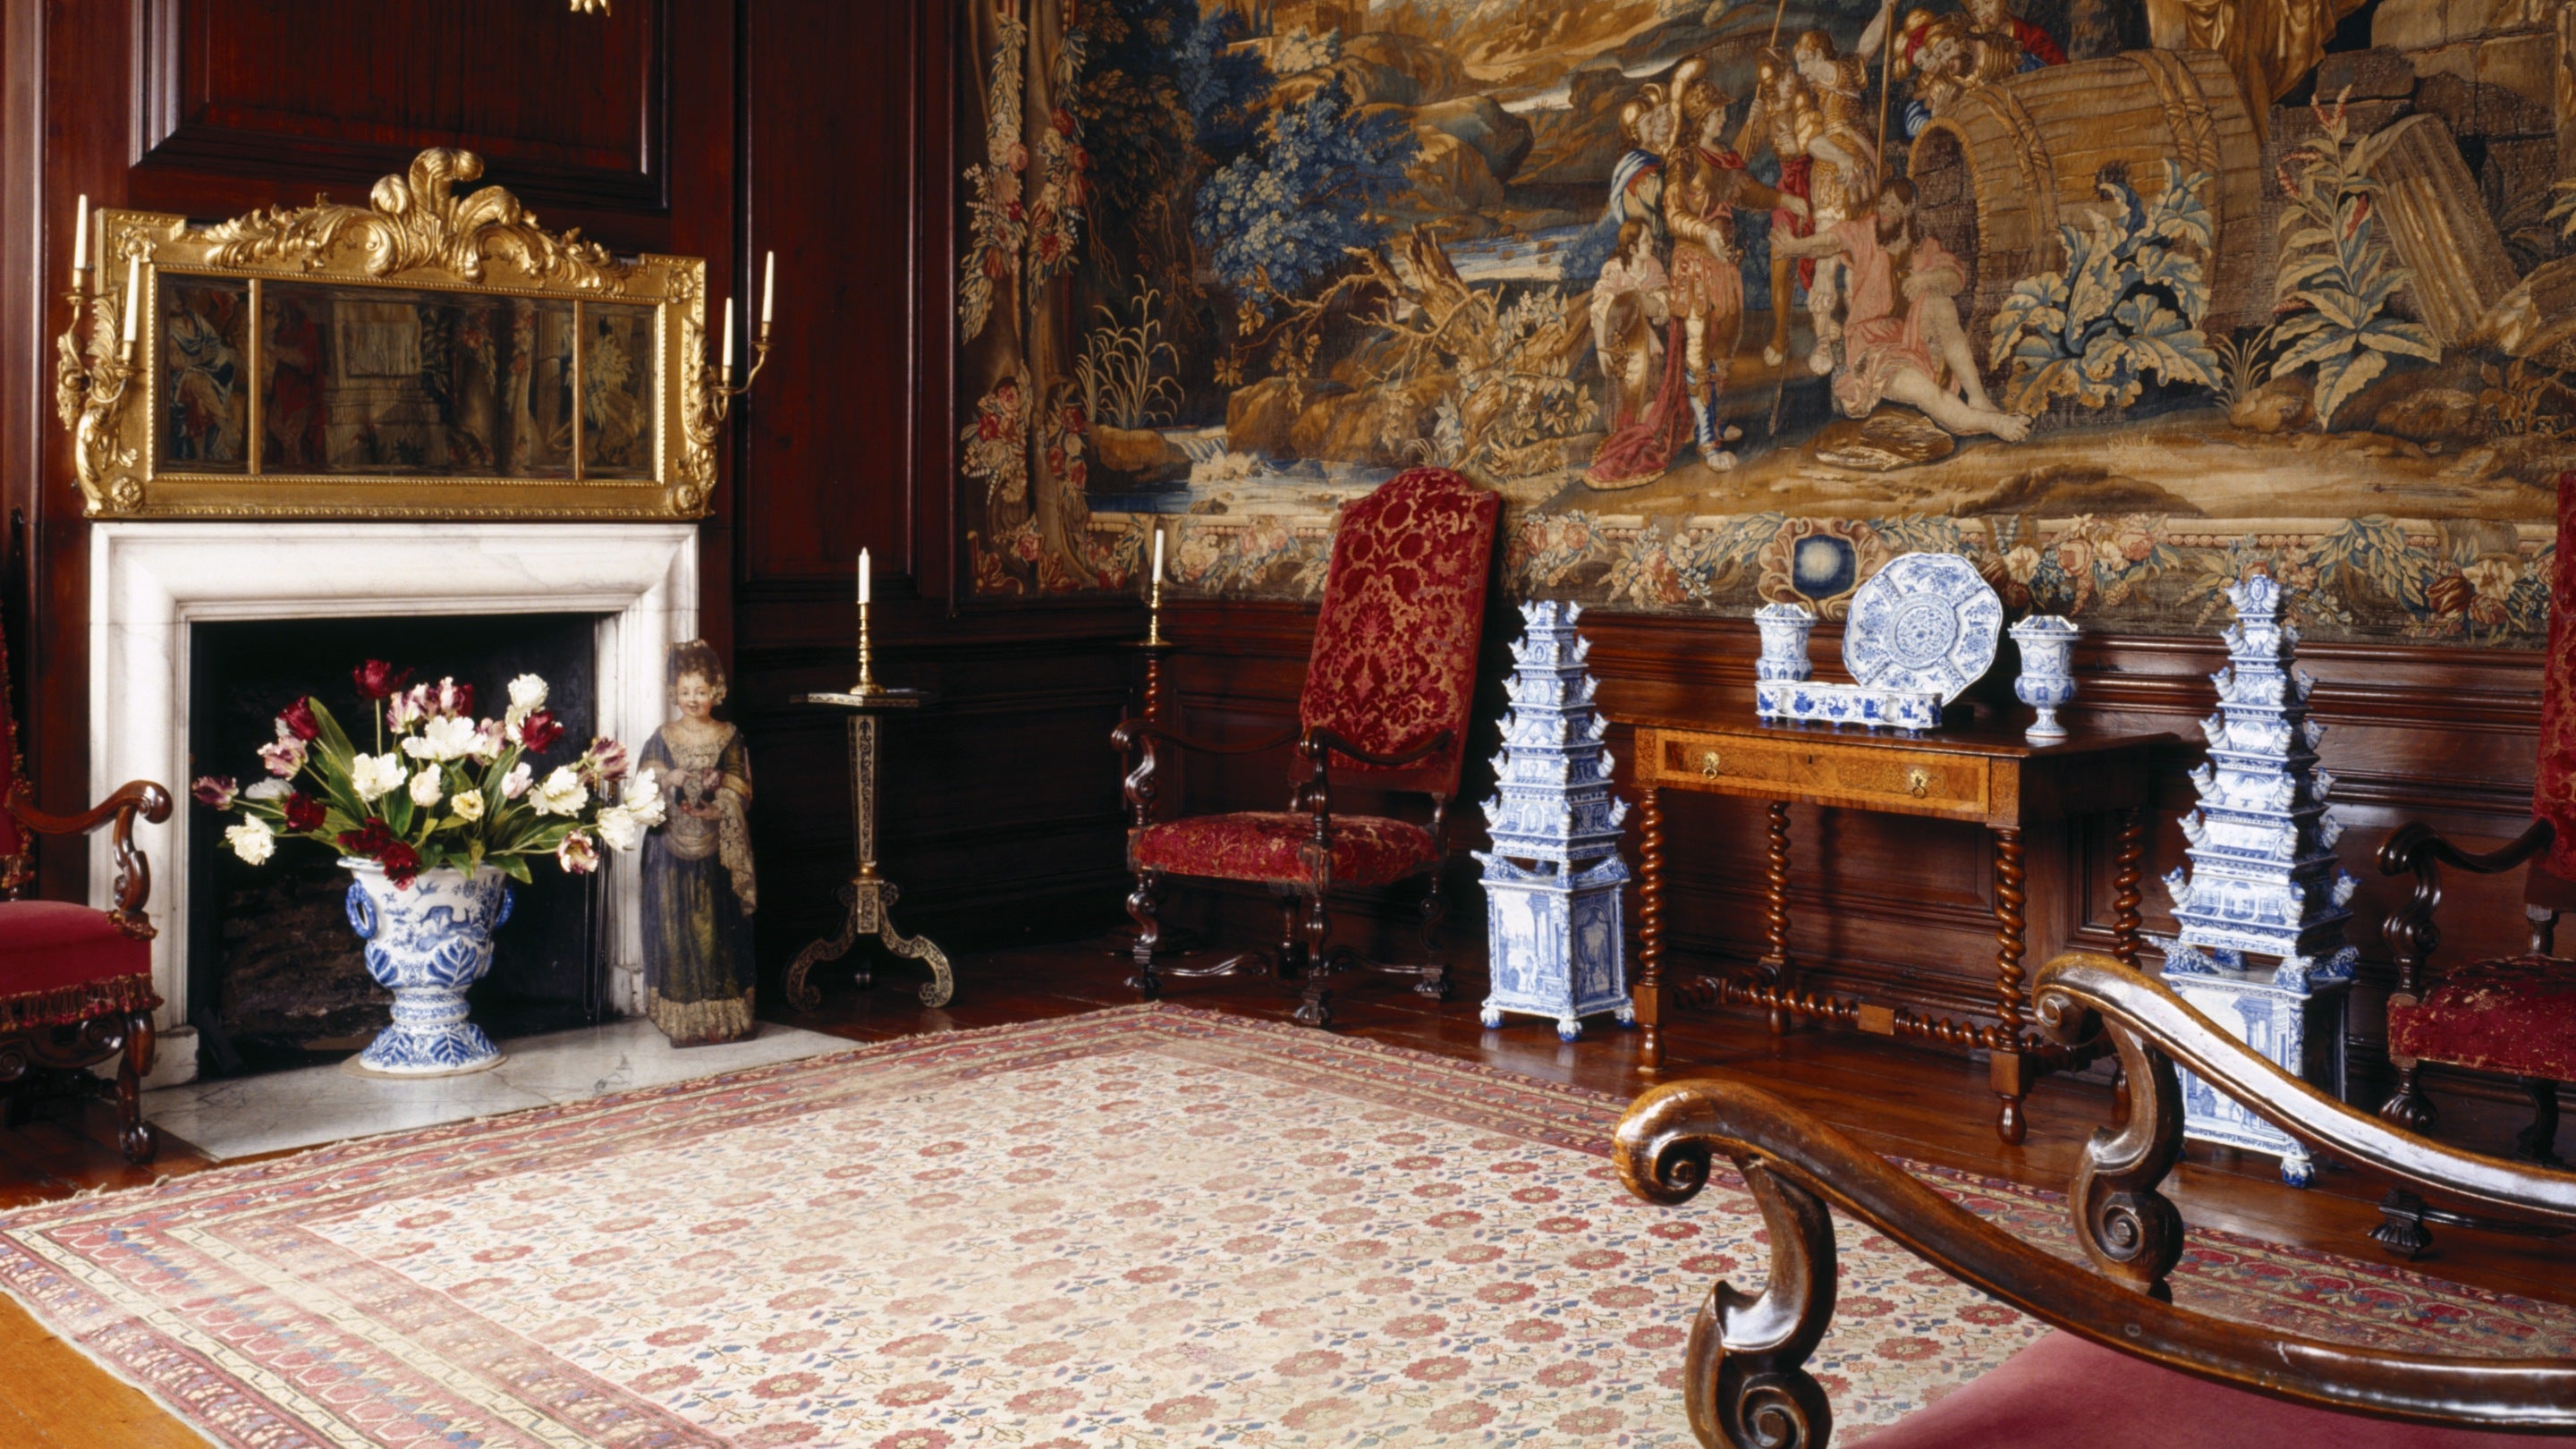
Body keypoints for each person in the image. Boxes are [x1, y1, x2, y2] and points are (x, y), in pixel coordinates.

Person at [1774, 178, 2033, 443]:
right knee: (1926, 393)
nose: (1884, 210)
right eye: (1883, 203)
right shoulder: (1867, 232)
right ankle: (1993, 422)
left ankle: (1977, 397)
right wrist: (1795, 247)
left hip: (1912, 340)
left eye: (1893, 205)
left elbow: (1955, 279)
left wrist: (1925, 280)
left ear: (1908, 210)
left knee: (1939, 302)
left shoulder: (1923, 247)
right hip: (1873, 349)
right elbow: (1830, 242)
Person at [1662, 60, 1806, 470]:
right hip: (1694, 265)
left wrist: (1784, 200)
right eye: (1720, 112)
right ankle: (1707, 441)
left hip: (1725, 266)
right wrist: (1702, 231)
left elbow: (1746, 193)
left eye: (1725, 111)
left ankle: (1710, 420)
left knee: (1723, 348)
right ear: (1704, 117)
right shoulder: (1684, 158)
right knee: (1697, 348)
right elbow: (1672, 214)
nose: (1726, 116)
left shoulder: (1723, 158)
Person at [640, 640, 759, 1046]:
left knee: (716, 934)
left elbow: (741, 786)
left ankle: (723, 1017)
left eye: (701, 691)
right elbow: (644, 783)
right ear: (675, 692)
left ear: (716, 692)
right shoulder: (663, 736)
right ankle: (682, 1019)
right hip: (670, 851)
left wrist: (719, 806)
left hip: (715, 854)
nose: (693, 699)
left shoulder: (729, 735)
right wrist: (665, 780)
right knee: (675, 931)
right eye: (686, 691)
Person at [1788, 30, 1880, 377]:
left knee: (1861, 260)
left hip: (1864, 175)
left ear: (1817, 55)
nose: (1800, 71)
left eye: (1803, 61)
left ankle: (1859, 337)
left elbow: (1866, 46)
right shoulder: (1807, 99)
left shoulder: (1845, 72)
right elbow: (1810, 141)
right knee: (1828, 259)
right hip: (1832, 175)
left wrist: (1885, 10)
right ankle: (1824, 339)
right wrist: (1842, 158)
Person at [1736, 48, 1826, 367]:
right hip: (1789, 189)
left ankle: (1825, 334)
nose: (1789, 82)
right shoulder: (1768, 114)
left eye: (1789, 74)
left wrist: (1803, 147)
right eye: (1781, 79)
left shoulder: (1810, 96)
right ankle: (1780, 333)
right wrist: (1751, 122)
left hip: (1819, 180)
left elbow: (1830, 133)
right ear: (1771, 85)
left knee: (1823, 261)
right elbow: (1737, 159)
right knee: (1780, 267)